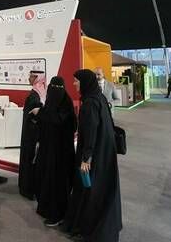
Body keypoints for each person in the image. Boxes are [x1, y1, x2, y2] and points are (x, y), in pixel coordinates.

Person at [64, 69, 122, 241]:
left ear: (84, 82)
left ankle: (89, 230)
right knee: (101, 189)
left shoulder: (89, 103)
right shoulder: (99, 97)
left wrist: (86, 158)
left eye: (76, 81)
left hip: (94, 155)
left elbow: (91, 131)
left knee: (91, 192)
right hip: (104, 152)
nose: (74, 84)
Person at [35, 76, 76, 227]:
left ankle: (58, 214)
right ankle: (47, 209)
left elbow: (59, 120)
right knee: (48, 179)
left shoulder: (65, 103)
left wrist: (40, 113)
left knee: (58, 183)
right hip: (49, 151)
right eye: (52, 87)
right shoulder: (55, 101)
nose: (54, 91)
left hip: (61, 153)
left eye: (57, 88)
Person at [18, 70, 46, 200]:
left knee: (29, 158)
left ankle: (27, 188)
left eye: (31, 77)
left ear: (37, 78)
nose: (29, 78)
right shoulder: (42, 91)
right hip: (36, 132)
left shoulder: (35, 94)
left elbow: (35, 116)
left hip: (31, 134)